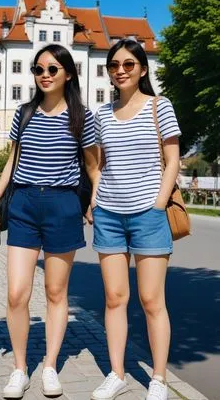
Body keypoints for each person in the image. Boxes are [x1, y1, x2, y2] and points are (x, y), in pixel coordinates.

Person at [0, 44, 97, 399]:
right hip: (23, 203)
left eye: (53, 69)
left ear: (68, 73)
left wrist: (93, 201)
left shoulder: (83, 117)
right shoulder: (24, 112)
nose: (45, 75)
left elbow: (93, 166)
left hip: (62, 204)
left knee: (56, 292)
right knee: (16, 292)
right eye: (39, 69)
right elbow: (11, 161)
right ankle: (20, 368)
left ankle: (50, 365)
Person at [90, 39, 181, 400]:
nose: (121, 70)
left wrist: (158, 205)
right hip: (109, 215)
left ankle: (158, 378)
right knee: (114, 298)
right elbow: (99, 163)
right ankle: (117, 373)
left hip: (148, 215)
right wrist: (96, 199)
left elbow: (172, 159)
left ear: (142, 69)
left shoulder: (160, 106)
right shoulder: (101, 114)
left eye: (129, 64)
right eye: (114, 65)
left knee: (151, 300)